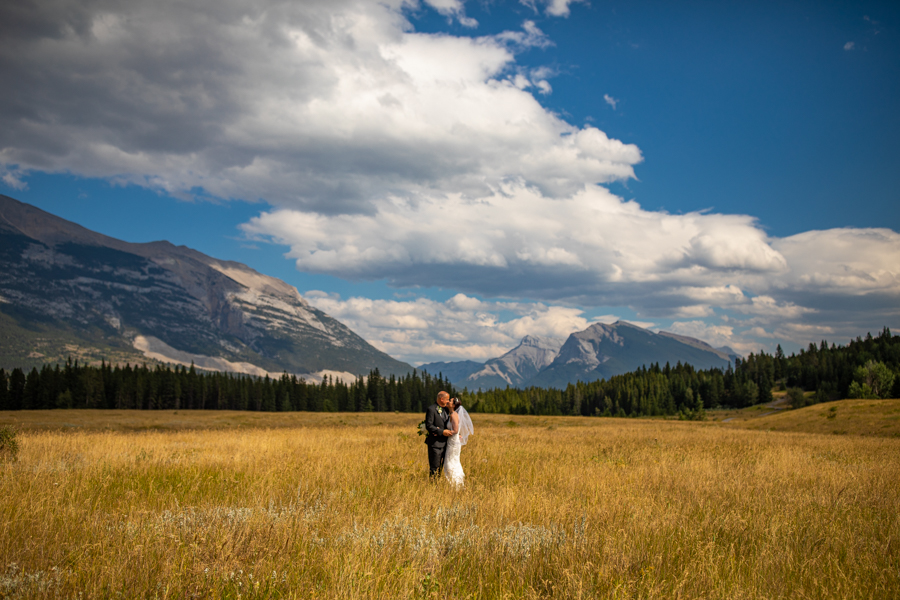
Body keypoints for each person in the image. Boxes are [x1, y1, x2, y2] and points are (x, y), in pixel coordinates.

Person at [443, 397, 474, 488]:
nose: (448, 401)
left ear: (453, 405)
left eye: (450, 401)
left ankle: (455, 484)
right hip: (453, 441)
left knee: (449, 462)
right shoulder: (453, 414)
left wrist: (444, 432)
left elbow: (455, 430)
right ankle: (458, 483)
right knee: (454, 461)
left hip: (453, 442)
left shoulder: (453, 415)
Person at [424, 391, 452, 478]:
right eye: (447, 399)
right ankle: (433, 486)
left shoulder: (447, 409)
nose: (448, 401)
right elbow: (429, 425)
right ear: (442, 399)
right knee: (435, 467)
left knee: (443, 467)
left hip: (447, 443)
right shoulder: (431, 409)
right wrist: (441, 432)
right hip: (435, 443)